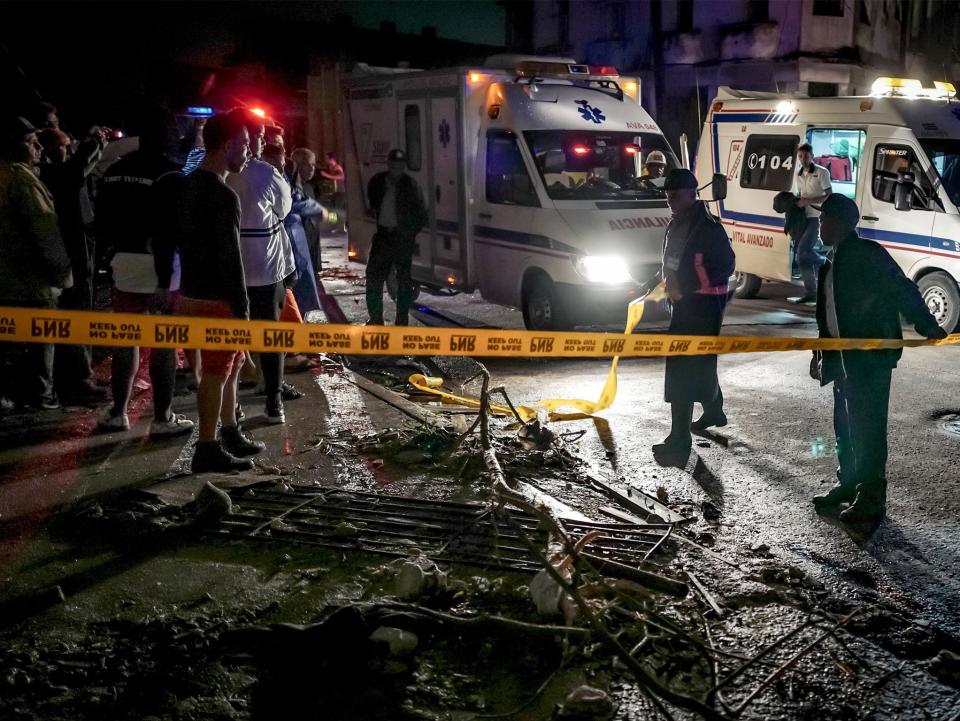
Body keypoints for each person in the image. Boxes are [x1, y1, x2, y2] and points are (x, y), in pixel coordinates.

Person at [809, 194, 946, 525]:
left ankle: (871, 498)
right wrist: (820, 354)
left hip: (868, 362)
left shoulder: (866, 255)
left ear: (840, 223)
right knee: (845, 425)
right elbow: (827, 315)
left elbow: (901, 288)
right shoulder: (832, 262)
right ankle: (850, 484)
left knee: (867, 429)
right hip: (841, 362)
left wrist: (926, 323)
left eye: (823, 219)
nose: (819, 225)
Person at [167, 109, 265, 473]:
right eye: (245, 143)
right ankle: (207, 447)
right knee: (216, 373)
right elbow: (230, 259)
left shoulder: (187, 185)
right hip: (217, 300)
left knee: (229, 366)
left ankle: (229, 430)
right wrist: (242, 309)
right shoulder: (224, 197)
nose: (250, 150)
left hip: (191, 292)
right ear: (228, 146)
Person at [95, 109, 195, 437]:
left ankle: (118, 413)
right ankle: (163, 417)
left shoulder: (115, 171)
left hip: (122, 261)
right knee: (164, 343)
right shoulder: (171, 174)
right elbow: (170, 232)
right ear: (170, 136)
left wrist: (112, 255)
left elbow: (101, 222)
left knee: (127, 341)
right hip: (159, 266)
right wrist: (165, 281)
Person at [652, 168, 735, 465]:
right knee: (696, 363)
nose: (670, 201)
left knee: (682, 369)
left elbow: (725, 264)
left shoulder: (707, 227)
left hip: (701, 306)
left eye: (675, 196)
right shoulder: (679, 223)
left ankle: (680, 438)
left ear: (692, 194)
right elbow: (673, 260)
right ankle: (713, 410)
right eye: (667, 196)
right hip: (686, 304)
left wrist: (688, 286)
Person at [227, 111, 299, 424]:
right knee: (270, 337)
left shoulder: (210, 169)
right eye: (255, 136)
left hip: (229, 268)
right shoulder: (265, 172)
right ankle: (273, 401)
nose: (258, 142)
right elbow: (284, 209)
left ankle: (232, 407)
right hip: (266, 268)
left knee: (231, 337)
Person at [0, 116, 73, 410]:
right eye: (31, 143)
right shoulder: (22, 180)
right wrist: (62, 275)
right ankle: (42, 396)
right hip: (31, 280)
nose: (39, 148)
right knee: (42, 339)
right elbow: (46, 232)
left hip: (5, 280)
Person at [38, 125, 108, 405]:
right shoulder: (53, 174)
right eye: (65, 146)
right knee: (76, 315)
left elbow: (83, 168)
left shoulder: (62, 173)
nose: (69, 150)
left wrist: (96, 146)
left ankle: (81, 374)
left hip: (79, 252)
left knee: (81, 313)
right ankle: (78, 379)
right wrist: (93, 144)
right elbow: (78, 169)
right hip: (69, 256)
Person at [365, 148, 428, 326]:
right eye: (393, 166)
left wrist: (409, 234)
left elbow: (422, 215)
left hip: (401, 239)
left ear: (403, 167)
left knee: (403, 282)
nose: (396, 170)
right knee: (374, 278)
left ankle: (402, 320)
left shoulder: (410, 185)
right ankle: (376, 318)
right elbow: (372, 202)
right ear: (389, 165)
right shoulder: (378, 182)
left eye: (399, 167)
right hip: (383, 236)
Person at [792, 142, 831, 304]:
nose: (803, 159)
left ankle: (827, 262)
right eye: (800, 156)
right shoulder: (798, 175)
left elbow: (828, 195)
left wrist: (808, 201)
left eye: (806, 156)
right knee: (801, 257)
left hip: (817, 217)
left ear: (812, 156)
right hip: (803, 218)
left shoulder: (822, 173)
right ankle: (811, 291)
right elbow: (799, 194)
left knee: (803, 251)